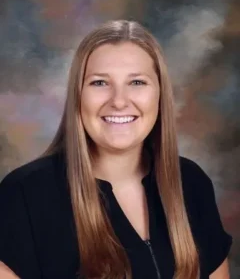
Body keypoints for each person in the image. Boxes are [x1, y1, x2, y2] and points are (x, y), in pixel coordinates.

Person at [0, 20, 232, 279]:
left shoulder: (192, 183)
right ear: (78, 95)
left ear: (160, 94)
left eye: (137, 82)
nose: (119, 101)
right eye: (99, 83)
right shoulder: (22, 195)